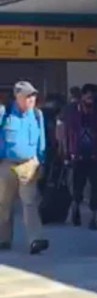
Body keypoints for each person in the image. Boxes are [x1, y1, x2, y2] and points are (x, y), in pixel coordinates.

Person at [0, 82, 49, 254]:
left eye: (33, 96)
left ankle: (35, 239)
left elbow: (42, 140)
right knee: (3, 203)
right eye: (28, 96)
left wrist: (41, 161)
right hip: (7, 163)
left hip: (29, 164)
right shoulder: (4, 112)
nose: (31, 99)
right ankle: (3, 238)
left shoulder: (37, 114)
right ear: (18, 97)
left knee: (30, 202)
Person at [58, 84, 97, 229]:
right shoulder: (73, 110)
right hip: (82, 154)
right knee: (82, 186)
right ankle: (80, 209)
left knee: (92, 186)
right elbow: (62, 130)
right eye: (88, 96)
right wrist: (64, 150)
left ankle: (89, 214)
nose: (90, 99)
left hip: (91, 154)